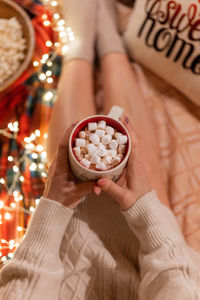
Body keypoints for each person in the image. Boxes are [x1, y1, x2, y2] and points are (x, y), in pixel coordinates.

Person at [0, 0, 200, 299]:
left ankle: (80, 50)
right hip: (150, 275)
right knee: (147, 186)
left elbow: (25, 286)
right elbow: (179, 283)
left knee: (68, 161)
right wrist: (145, 210)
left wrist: (55, 205)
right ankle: (111, 48)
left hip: (63, 276)